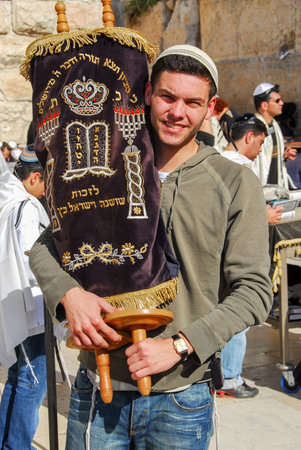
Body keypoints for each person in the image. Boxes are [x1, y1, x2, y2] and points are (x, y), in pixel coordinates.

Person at [29, 45, 272, 449]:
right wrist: (69, 294)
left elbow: (254, 291)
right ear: (146, 94)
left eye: (193, 102)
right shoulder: (107, 167)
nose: (178, 112)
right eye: (168, 97)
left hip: (182, 397)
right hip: (99, 388)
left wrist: (180, 345)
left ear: (210, 106)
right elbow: (44, 246)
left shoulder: (232, 182)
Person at [217, 113, 282, 398]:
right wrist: (263, 215)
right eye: (260, 142)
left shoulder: (214, 160)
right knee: (239, 313)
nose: (260, 150)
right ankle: (229, 379)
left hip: (216, 253)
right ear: (249, 137)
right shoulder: (242, 167)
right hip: (236, 253)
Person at [0, 145, 50, 449]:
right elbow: (34, 262)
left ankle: (8, 442)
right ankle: (16, 445)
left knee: (18, 379)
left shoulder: (8, 200)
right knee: (33, 384)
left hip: (15, 306)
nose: (46, 192)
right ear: (34, 177)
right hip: (31, 308)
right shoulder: (27, 207)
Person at [253, 83, 297, 188]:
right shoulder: (254, 128)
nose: (282, 103)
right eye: (277, 101)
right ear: (264, 105)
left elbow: (270, 154)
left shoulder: (274, 125)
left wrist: (283, 155)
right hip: (261, 189)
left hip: (275, 187)